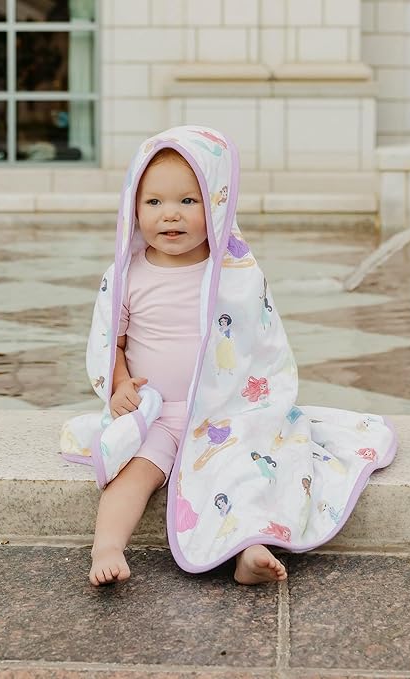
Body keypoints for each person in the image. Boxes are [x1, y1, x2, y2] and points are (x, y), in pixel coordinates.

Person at [88, 143, 287, 587]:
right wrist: (120, 385)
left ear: (216, 204)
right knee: (132, 475)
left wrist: (255, 403)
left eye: (188, 200)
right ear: (133, 208)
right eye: (154, 202)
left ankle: (249, 551)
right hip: (158, 413)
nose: (170, 214)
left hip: (222, 411)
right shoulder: (126, 275)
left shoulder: (233, 274)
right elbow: (111, 344)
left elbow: (260, 343)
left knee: (245, 471)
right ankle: (107, 546)